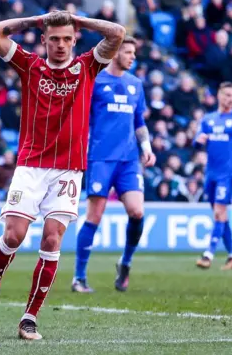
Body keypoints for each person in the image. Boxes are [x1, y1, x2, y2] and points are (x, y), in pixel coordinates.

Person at [0, 10, 125, 340]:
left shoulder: (87, 66)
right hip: (31, 166)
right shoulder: (31, 66)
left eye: (67, 38)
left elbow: (117, 32)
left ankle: (30, 317)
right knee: (13, 236)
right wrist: (37, 19)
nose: (60, 44)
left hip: (68, 169)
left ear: (75, 39)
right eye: (54, 38)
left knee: (53, 238)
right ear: (44, 40)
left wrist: (81, 21)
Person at [72, 36, 156, 293]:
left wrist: (147, 147)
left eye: (134, 53)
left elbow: (138, 120)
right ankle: (79, 277)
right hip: (101, 158)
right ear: (115, 53)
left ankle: (125, 262)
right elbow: (82, 118)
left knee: (137, 212)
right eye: (128, 52)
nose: (132, 57)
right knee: (94, 216)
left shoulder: (135, 84)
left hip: (129, 160)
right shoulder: (96, 81)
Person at [193, 82, 232, 270]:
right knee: (220, 215)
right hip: (211, 174)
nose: (231, 99)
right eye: (227, 95)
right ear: (219, 95)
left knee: (219, 212)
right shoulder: (208, 120)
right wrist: (198, 141)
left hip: (228, 174)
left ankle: (208, 254)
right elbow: (196, 143)